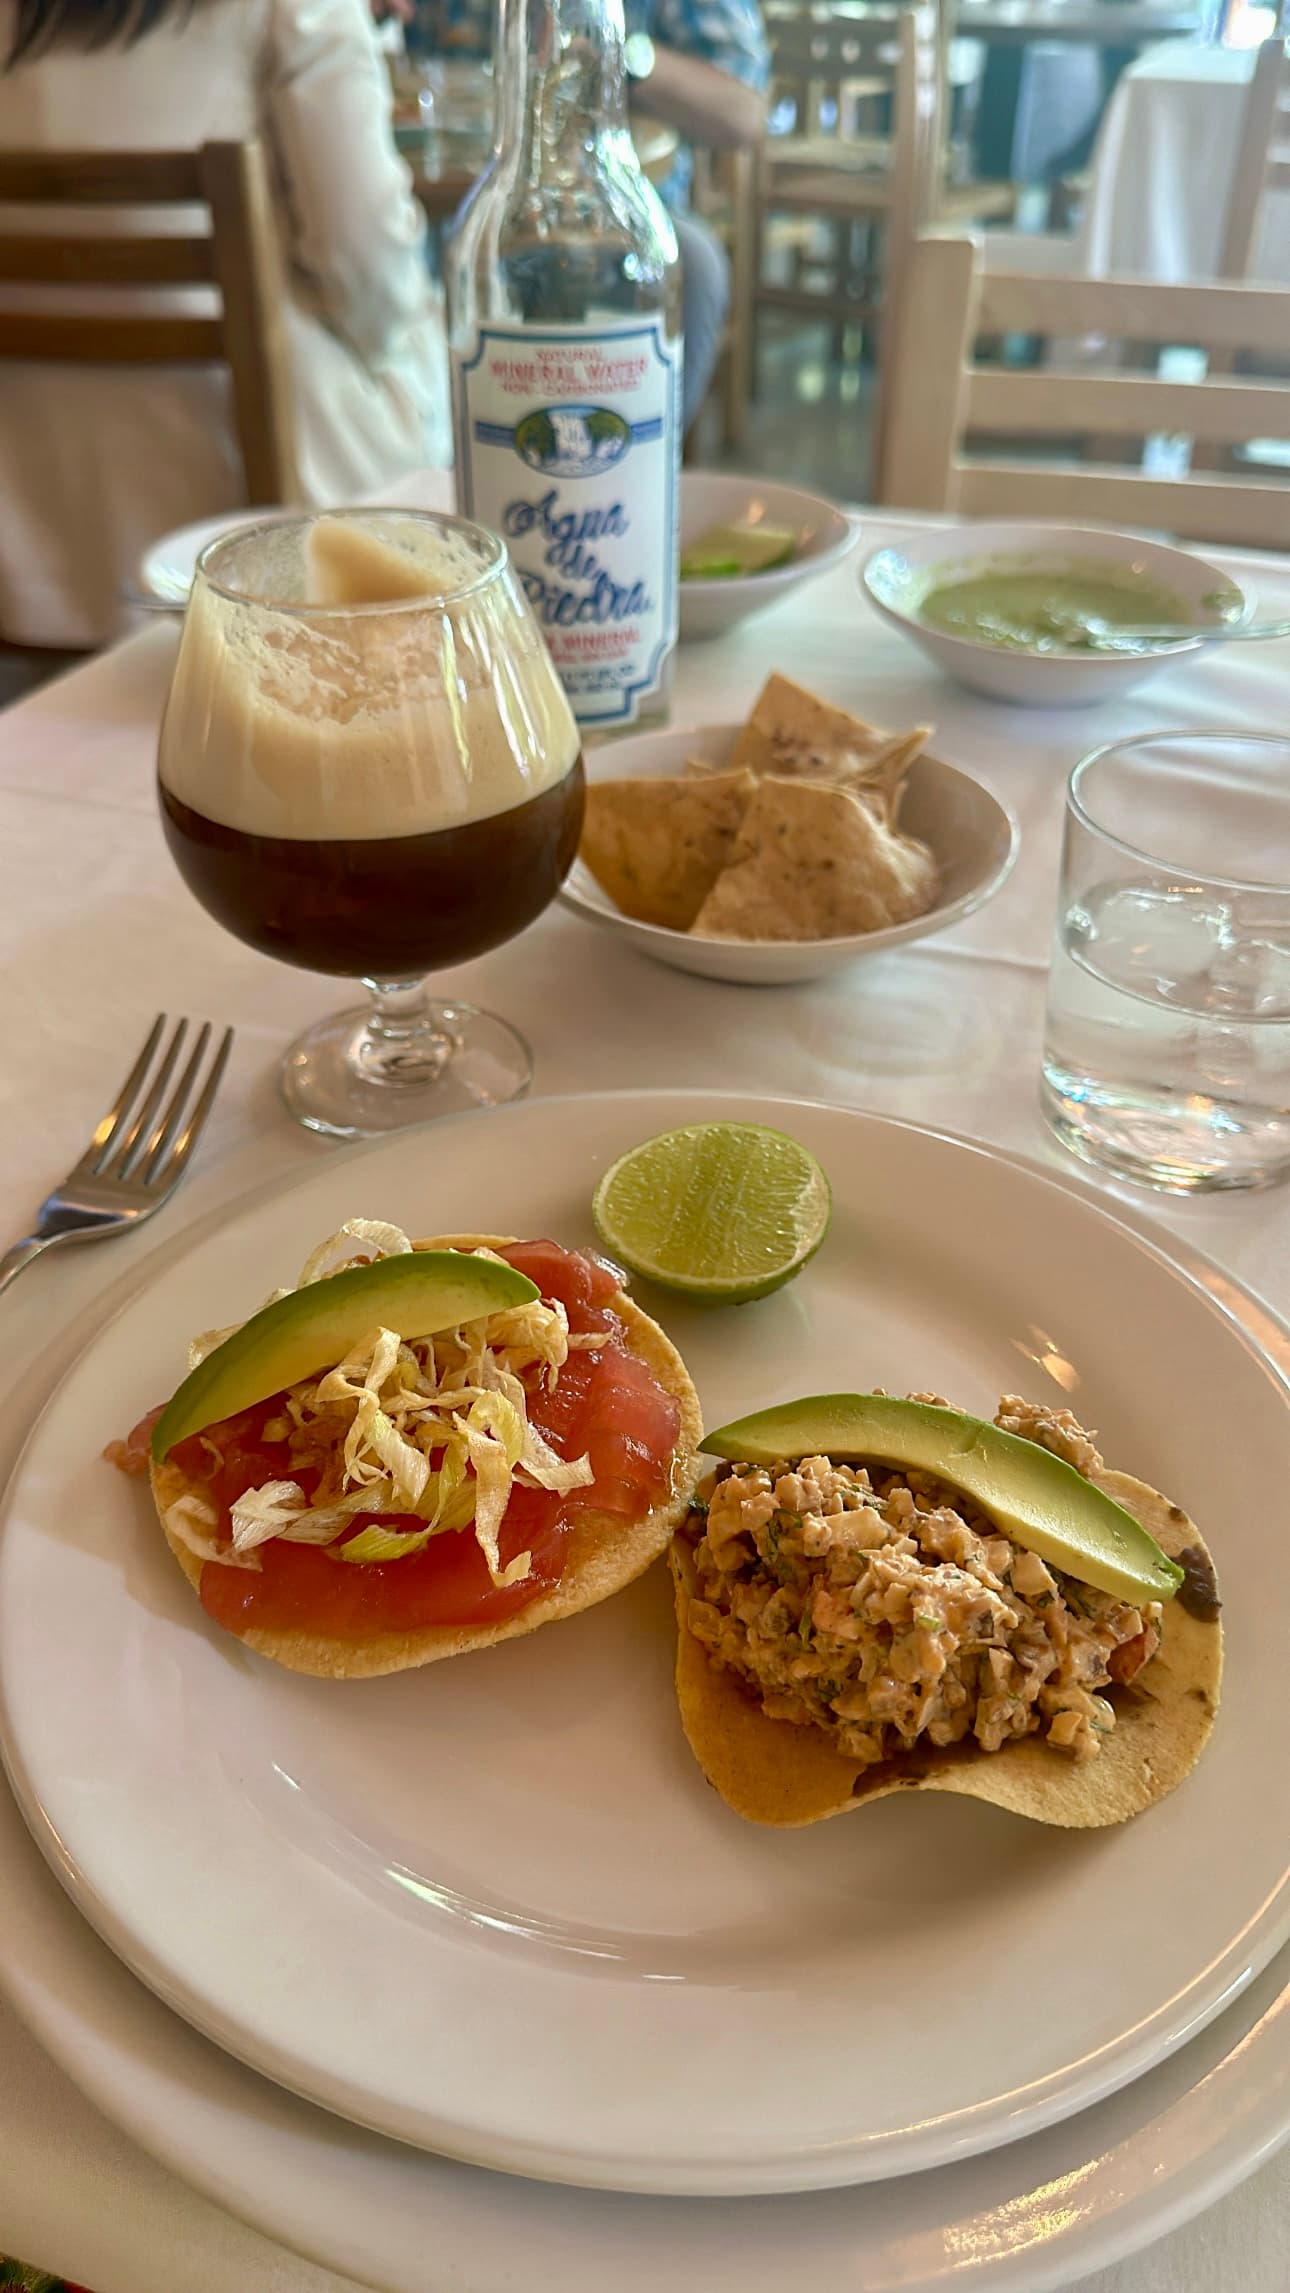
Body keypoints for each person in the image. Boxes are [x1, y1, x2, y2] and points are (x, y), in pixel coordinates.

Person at [0, 0, 452, 648]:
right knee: (448, 362)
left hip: (32, 545)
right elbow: (369, 271)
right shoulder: (297, 12)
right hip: (257, 529)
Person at [415, 0, 769, 432]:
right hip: (441, 200)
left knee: (693, 265)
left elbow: (744, 111)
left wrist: (615, 50)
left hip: (615, 219)